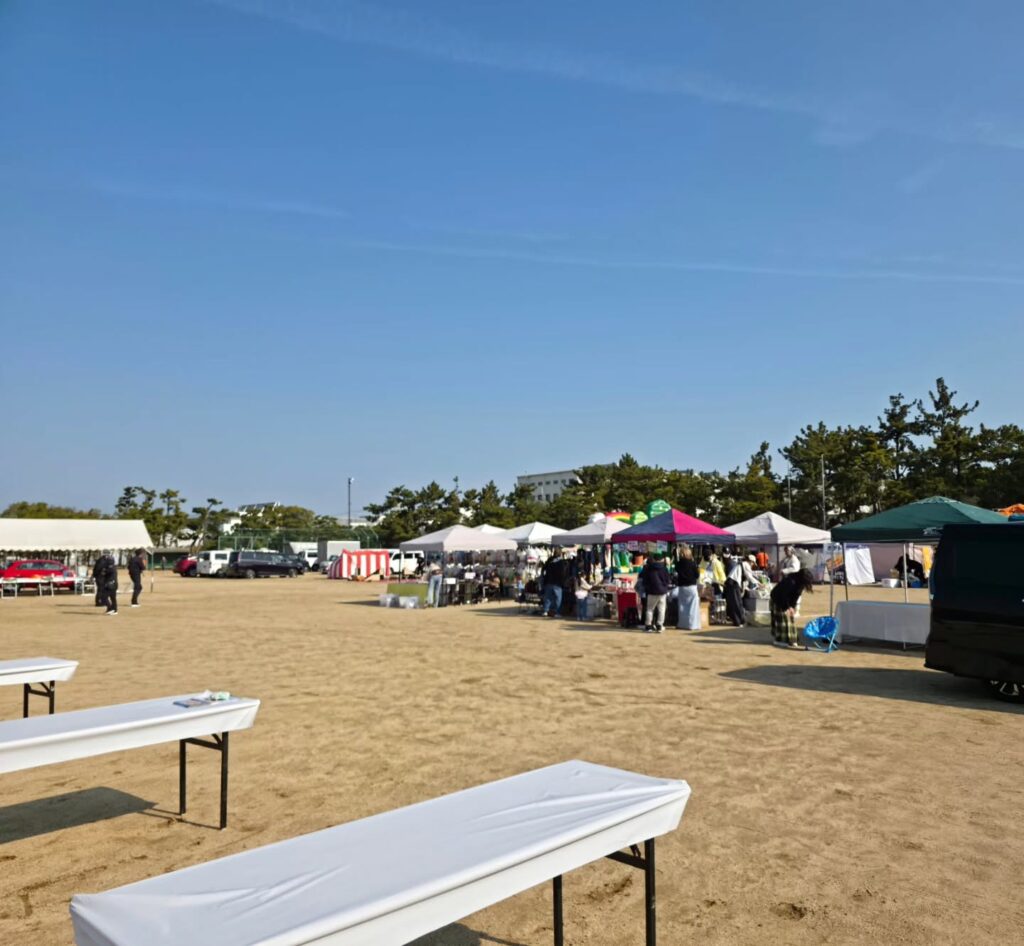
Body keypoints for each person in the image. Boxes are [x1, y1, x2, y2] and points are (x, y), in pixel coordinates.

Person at [770, 567, 815, 648]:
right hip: (777, 599)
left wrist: (792, 607)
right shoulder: (790, 581)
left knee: (791, 620)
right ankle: (779, 640)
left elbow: (796, 596)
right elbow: (783, 596)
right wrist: (788, 607)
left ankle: (792, 639)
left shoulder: (800, 584)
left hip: (786, 600)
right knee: (782, 621)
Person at [638, 551, 671, 633]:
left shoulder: (649, 568)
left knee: (650, 609)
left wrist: (647, 588)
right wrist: (665, 586)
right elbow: (668, 580)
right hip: (662, 591)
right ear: (662, 559)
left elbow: (645, 580)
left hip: (651, 591)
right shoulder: (664, 568)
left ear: (654, 559)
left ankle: (648, 626)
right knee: (662, 609)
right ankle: (659, 626)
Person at [675, 546, 701, 630]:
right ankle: (692, 625)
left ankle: (682, 624)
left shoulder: (678, 563)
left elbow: (676, 571)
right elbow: (697, 575)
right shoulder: (692, 563)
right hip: (691, 587)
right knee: (693, 607)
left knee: (682, 606)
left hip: (682, 587)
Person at [541, 551, 565, 618]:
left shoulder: (549, 560)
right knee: (558, 598)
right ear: (560, 555)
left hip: (548, 582)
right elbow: (562, 573)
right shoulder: (561, 562)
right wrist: (563, 582)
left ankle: (545, 611)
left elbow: (543, 568)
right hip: (557, 583)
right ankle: (556, 612)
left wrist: (544, 577)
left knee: (548, 597)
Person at [95, 550, 118, 615]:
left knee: (103, 597)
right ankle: (114, 610)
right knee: (113, 598)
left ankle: (110, 608)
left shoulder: (109, 568)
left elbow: (103, 574)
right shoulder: (114, 567)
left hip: (109, 585)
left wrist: (102, 571)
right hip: (114, 584)